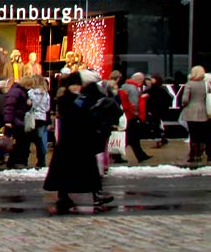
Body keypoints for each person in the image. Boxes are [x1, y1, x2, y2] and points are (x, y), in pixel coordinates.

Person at [43, 71, 113, 212]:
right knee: (66, 171)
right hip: (69, 140)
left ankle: (95, 195)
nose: (75, 88)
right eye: (73, 85)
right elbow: (71, 116)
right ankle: (64, 196)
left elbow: (91, 117)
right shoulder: (65, 100)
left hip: (82, 140)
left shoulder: (85, 99)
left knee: (88, 170)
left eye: (77, 85)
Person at [119, 71, 152, 162]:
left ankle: (141, 155)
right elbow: (134, 104)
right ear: (139, 80)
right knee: (131, 137)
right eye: (142, 80)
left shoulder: (124, 86)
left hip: (125, 115)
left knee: (132, 138)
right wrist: (137, 115)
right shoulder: (134, 89)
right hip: (130, 117)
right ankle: (117, 155)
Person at [180, 65, 209, 163]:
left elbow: (185, 99)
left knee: (193, 134)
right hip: (203, 111)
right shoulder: (206, 84)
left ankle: (194, 154)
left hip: (191, 111)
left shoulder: (190, 84)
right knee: (202, 134)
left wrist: (183, 104)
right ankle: (202, 152)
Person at [2, 76, 32, 168]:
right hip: (16, 120)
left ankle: (15, 161)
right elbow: (9, 107)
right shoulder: (17, 91)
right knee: (17, 141)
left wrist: (28, 105)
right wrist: (8, 121)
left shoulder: (20, 91)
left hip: (18, 119)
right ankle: (13, 162)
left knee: (18, 141)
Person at [26, 75, 51, 167]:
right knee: (40, 140)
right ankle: (41, 160)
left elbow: (29, 105)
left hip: (33, 117)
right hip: (42, 117)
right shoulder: (46, 94)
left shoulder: (31, 92)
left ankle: (25, 159)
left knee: (28, 139)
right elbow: (48, 107)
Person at [145, 74, 172, 148]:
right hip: (155, 110)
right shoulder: (153, 89)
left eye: (153, 78)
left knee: (155, 125)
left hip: (156, 110)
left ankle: (158, 141)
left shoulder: (159, 89)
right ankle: (162, 138)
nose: (151, 80)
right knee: (157, 125)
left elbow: (168, 98)